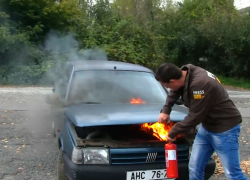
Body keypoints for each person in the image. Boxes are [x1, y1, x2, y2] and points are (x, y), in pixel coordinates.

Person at [155, 63, 248, 180]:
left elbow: (195, 117)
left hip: (224, 129)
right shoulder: (185, 72)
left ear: (172, 81)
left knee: (232, 173)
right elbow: (176, 90)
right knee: (195, 167)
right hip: (207, 127)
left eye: (167, 86)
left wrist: (173, 131)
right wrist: (166, 110)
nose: (169, 89)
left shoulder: (200, 84)